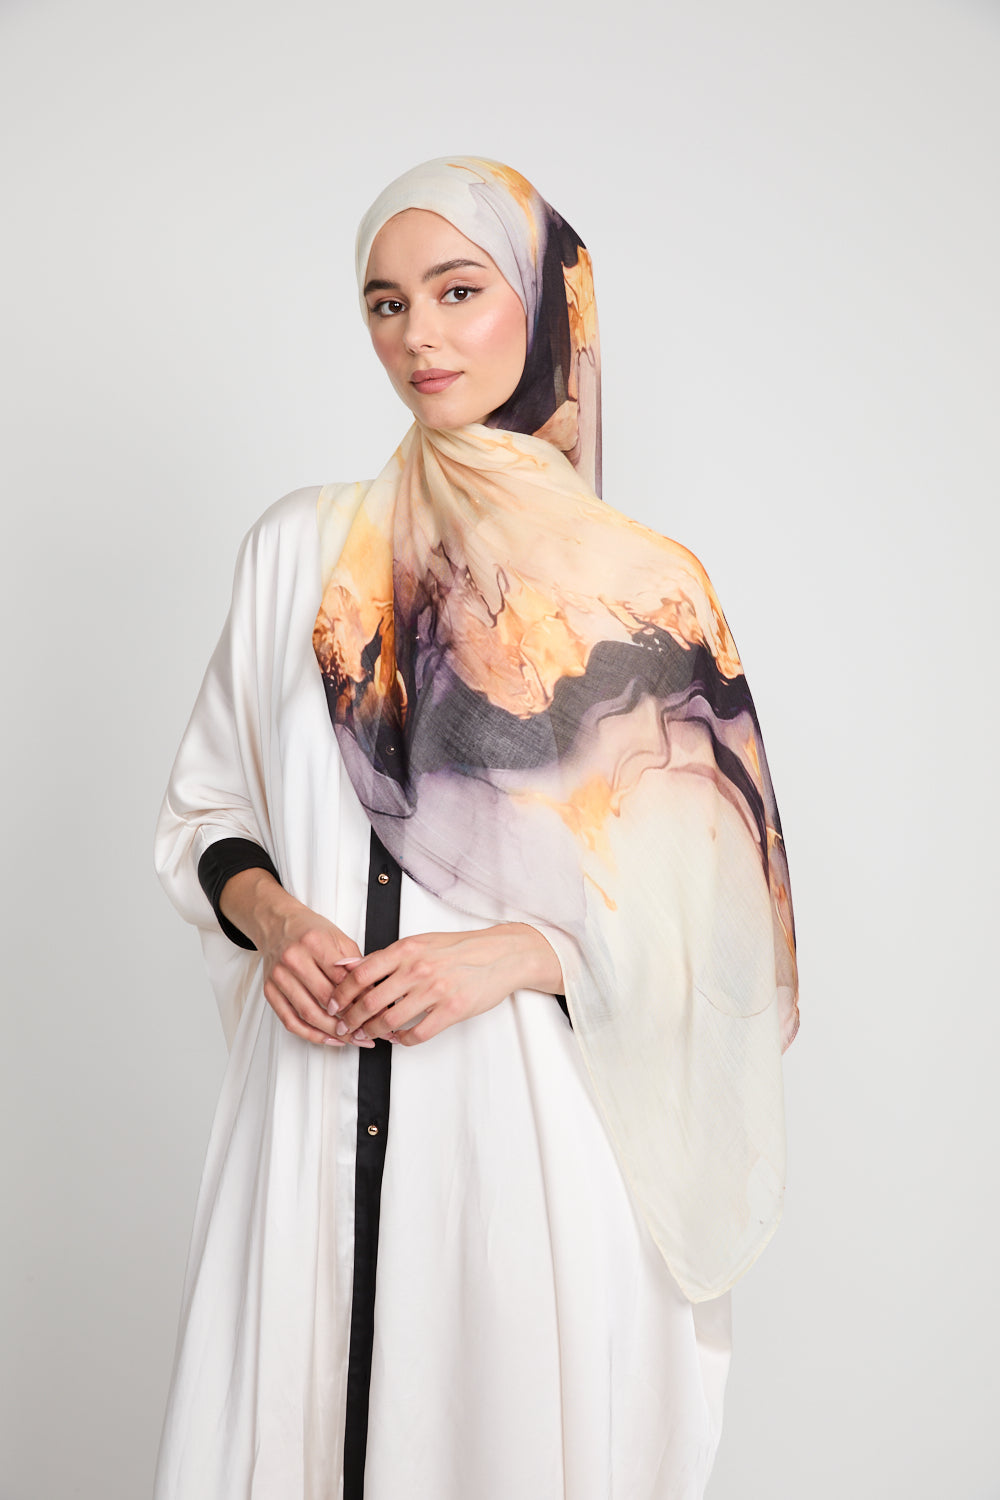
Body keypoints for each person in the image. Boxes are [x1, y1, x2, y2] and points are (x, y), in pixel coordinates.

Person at [153, 156, 799, 1500]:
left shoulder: (646, 596)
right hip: (308, 1111)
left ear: (548, 302)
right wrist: (276, 922)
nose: (419, 336)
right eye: (385, 303)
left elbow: (725, 925)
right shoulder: (299, 553)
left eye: (458, 291)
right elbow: (211, 806)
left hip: (522, 1147)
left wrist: (512, 956)